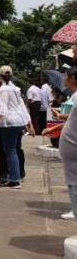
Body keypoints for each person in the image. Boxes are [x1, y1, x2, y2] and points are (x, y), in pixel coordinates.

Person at [0, 65, 34, 189]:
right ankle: (15, 177)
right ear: (11, 76)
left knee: (10, 151)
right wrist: (29, 123)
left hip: (9, 123)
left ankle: (14, 180)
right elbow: (22, 107)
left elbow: (1, 109)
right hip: (19, 122)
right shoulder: (15, 89)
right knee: (13, 151)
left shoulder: (3, 90)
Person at [53, 68, 77, 219]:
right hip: (71, 146)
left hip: (73, 146)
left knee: (74, 183)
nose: (64, 78)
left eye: (66, 76)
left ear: (73, 78)